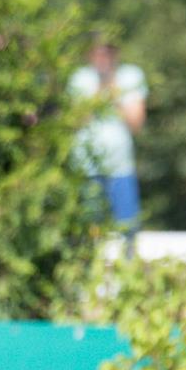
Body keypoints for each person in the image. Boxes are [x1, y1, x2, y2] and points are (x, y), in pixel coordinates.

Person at [68, 39, 148, 235]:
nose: (103, 58)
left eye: (107, 53)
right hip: (86, 168)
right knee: (85, 233)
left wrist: (113, 92)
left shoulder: (130, 76)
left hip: (121, 169)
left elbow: (136, 124)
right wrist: (98, 93)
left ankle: (128, 265)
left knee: (128, 230)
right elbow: (75, 120)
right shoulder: (80, 78)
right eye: (98, 52)